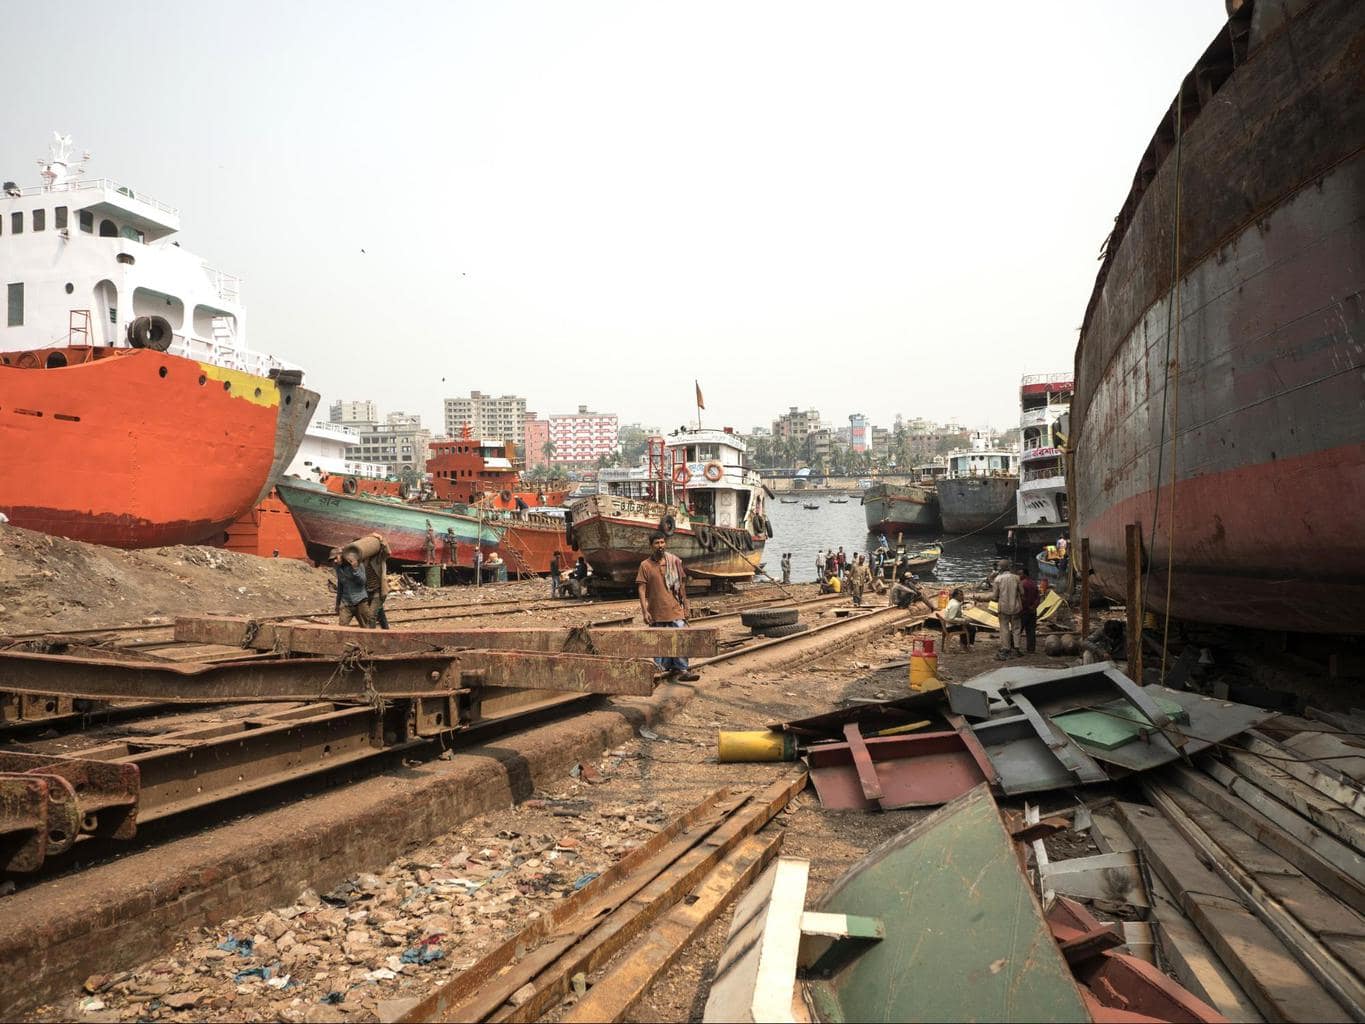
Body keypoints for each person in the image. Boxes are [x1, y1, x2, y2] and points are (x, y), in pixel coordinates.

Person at [637, 532, 699, 681]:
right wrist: (644, 611)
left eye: (662, 542)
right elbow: (641, 588)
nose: (660, 546)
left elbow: (682, 586)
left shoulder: (674, 561)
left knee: (680, 638)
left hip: (675, 609)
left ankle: (682, 670)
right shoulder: (645, 565)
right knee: (658, 642)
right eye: (657, 543)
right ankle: (659, 671)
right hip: (656, 611)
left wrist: (686, 606)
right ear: (651, 546)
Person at [333, 548, 374, 627]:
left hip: (360, 601)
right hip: (346, 602)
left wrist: (355, 569)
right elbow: (340, 587)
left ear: (342, 556)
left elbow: (363, 581)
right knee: (342, 628)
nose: (334, 561)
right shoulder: (338, 568)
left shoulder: (358, 564)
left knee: (366, 628)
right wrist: (337, 604)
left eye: (335, 558)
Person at [992, 559, 1023, 659]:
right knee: (1016, 628)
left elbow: (994, 596)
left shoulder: (998, 579)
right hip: (1016, 607)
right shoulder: (1017, 578)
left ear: (1000, 568)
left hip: (1003, 608)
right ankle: (1017, 649)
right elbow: (1022, 593)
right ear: (1009, 567)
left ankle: (1006, 648)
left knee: (1004, 628)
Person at [1020, 569, 1040, 653]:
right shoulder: (1034, 583)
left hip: (1024, 611)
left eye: (1020, 574)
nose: (1019, 576)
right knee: (1031, 631)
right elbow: (1038, 597)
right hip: (1032, 611)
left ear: (1024, 574)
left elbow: (1022, 598)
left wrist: (1027, 607)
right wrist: (1033, 607)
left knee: (1018, 630)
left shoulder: (1022, 584)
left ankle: (1014, 647)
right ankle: (1031, 649)